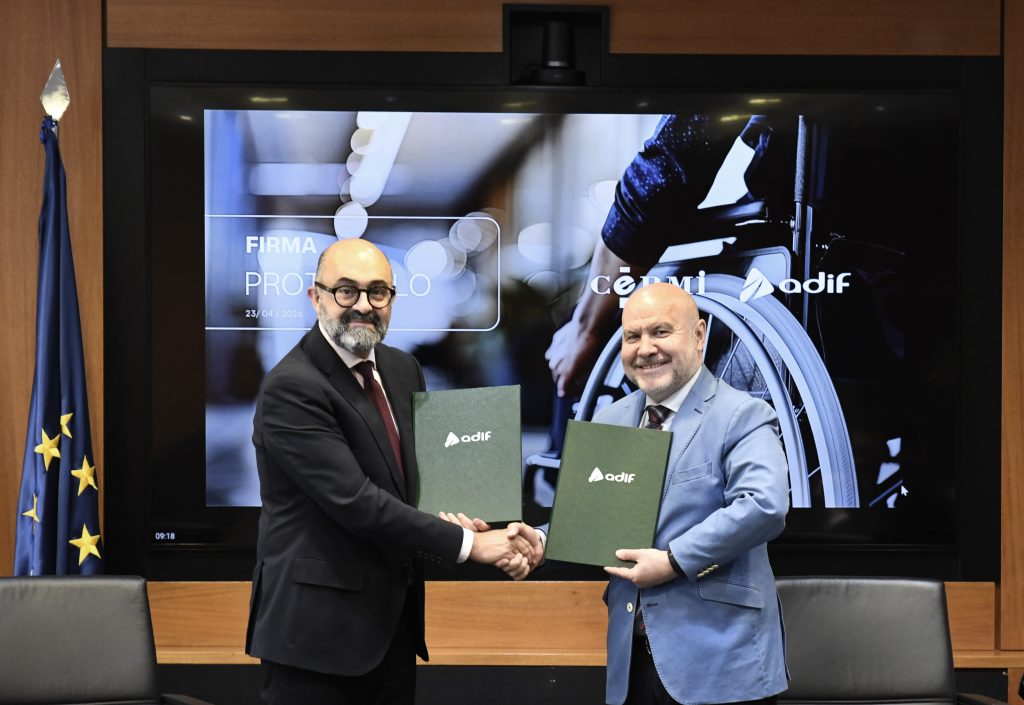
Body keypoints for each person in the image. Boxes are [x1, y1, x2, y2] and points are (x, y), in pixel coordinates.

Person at [245, 238, 536, 705]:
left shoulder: (402, 369)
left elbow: (420, 482)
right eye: (346, 291)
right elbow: (357, 502)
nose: (363, 305)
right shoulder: (292, 387)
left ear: (393, 299)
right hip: (317, 641)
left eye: (378, 292)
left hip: (391, 630)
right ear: (315, 296)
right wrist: (472, 544)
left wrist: (494, 524)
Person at [500, 282, 790, 705]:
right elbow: (592, 518)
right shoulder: (611, 419)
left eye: (660, 331)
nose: (645, 348)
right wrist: (541, 541)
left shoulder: (743, 415)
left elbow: (763, 505)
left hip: (722, 662)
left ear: (699, 335)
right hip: (632, 662)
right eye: (632, 336)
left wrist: (674, 560)